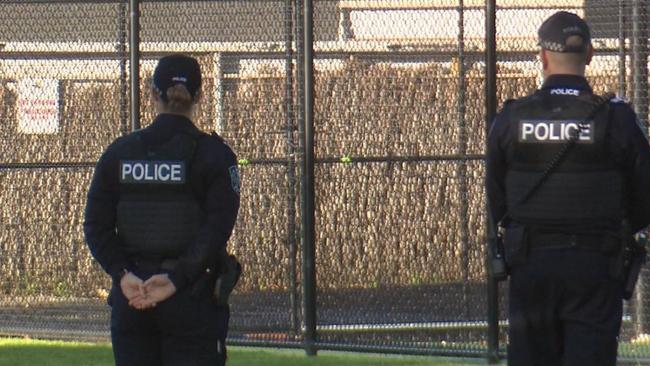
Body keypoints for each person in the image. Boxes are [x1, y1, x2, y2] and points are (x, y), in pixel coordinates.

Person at [486, 11, 650, 366]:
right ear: (590, 55)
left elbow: (496, 195)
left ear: (543, 57)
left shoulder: (512, 117)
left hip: (531, 264)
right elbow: (644, 196)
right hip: (595, 265)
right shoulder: (617, 117)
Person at [84, 54, 240, 366]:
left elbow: (96, 226)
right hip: (191, 297)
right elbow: (216, 230)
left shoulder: (120, 153)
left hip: (133, 297)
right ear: (199, 96)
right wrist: (174, 279)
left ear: (153, 93)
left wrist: (122, 274)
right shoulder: (214, 156)